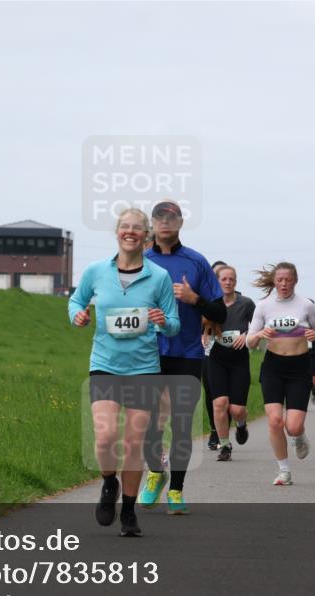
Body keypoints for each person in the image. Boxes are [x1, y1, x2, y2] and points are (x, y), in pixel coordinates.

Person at [69, 209, 180, 537]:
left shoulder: (158, 277)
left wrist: (163, 322)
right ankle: (108, 483)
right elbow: (76, 301)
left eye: (137, 228)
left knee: (133, 444)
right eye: (125, 227)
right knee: (104, 438)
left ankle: (129, 512)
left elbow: (174, 325)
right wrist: (78, 316)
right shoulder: (96, 271)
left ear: (146, 236)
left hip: (144, 369)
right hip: (104, 365)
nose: (130, 232)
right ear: (117, 233)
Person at [139, 200, 226, 515]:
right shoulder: (139, 261)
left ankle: (176, 489)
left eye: (171, 218)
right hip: (147, 354)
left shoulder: (196, 262)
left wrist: (195, 299)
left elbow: (219, 311)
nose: (165, 222)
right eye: (160, 217)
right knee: (149, 422)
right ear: (153, 223)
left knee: (181, 422)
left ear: (179, 223)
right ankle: (154, 473)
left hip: (187, 353)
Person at [247, 262, 315, 486]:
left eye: (288, 279)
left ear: (295, 280)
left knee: (292, 426)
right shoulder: (264, 306)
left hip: (299, 368)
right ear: (274, 281)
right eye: (280, 279)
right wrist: (260, 335)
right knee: (275, 421)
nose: (283, 283)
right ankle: (284, 470)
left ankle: (299, 436)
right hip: (273, 367)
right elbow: (249, 340)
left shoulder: (306, 306)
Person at [206, 265, 256, 462]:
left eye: (231, 279)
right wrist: (203, 334)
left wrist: (246, 336)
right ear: (217, 281)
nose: (228, 283)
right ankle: (225, 445)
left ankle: (241, 423)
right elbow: (197, 323)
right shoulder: (210, 304)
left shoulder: (246, 304)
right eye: (224, 279)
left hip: (239, 360)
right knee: (219, 403)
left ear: (235, 282)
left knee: (236, 409)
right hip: (216, 358)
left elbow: (258, 327)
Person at [202, 260, 228, 451]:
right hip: (207, 348)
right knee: (210, 390)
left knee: (226, 395)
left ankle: (225, 429)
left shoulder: (237, 300)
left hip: (229, 351)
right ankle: (214, 430)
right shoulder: (204, 297)